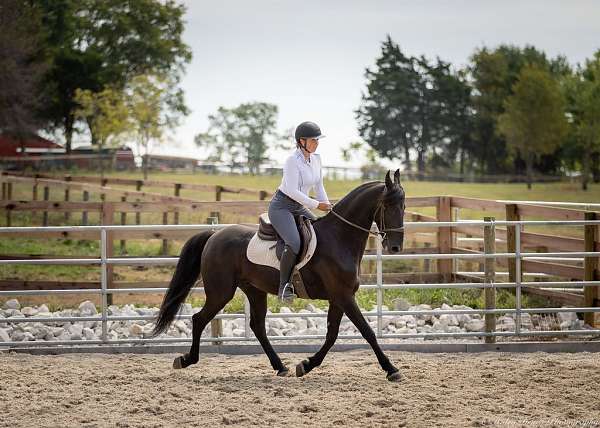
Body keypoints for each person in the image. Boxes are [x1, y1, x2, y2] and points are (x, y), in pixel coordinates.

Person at [268, 121, 332, 302]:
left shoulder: (316, 159)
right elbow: (291, 191)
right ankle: (284, 287)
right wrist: (316, 205)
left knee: (319, 234)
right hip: (282, 206)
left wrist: (327, 205)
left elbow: (319, 186)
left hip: (299, 206)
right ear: (301, 141)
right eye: (313, 140)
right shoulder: (291, 161)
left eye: (318, 140)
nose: (316, 143)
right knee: (294, 242)